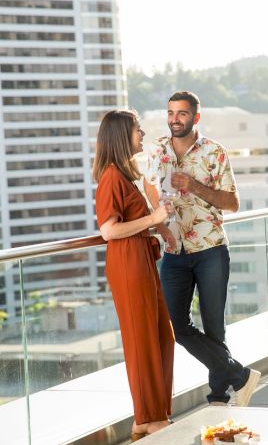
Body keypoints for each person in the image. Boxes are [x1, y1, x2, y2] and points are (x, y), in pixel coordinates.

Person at [144, 90, 260, 406]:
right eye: (170, 113)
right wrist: (160, 225)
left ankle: (219, 398)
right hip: (174, 251)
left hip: (210, 249)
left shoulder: (215, 152)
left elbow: (232, 203)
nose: (174, 120)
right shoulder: (156, 149)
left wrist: (193, 186)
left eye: (181, 113)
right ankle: (241, 377)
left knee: (213, 327)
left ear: (196, 117)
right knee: (178, 327)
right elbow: (149, 187)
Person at [93, 109, 175, 441]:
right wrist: (153, 218)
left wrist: (160, 228)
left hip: (141, 258)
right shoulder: (111, 177)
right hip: (128, 262)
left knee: (161, 337)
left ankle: (153, 415)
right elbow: (108, 231)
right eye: (137, 129)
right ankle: (148, 417)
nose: (142, 134)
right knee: (142, 340)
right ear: (120, 136)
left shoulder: (126, 175)